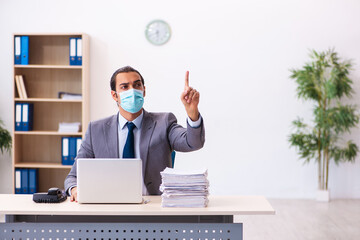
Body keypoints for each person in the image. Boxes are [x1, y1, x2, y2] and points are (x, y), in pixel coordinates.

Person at [64, 66, 205, 202]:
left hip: (153, 209)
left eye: (137, 85)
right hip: (109, 209)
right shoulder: (96, 130)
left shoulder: (164, 122)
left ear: (143, 91)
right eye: (124, 87)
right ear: (114, 95)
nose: (132, 91)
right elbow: (73, 177)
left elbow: (193, 142)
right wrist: (75, 189)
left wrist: (192, 112)